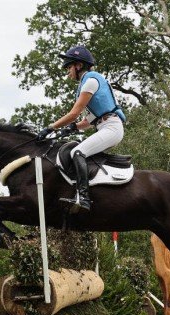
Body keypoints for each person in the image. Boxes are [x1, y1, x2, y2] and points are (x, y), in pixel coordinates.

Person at [36, 46, 126, 213]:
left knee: (78, 152)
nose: (68, 72)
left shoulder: (91, 81)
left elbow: (74, 113)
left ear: (78, 65)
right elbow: (87, 121)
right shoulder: (88, 82)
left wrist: (50, 128)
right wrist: (71, 128)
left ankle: (83, 198)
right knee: (76, 150)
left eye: (69, 67)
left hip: (111, 127)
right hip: (104, 125)